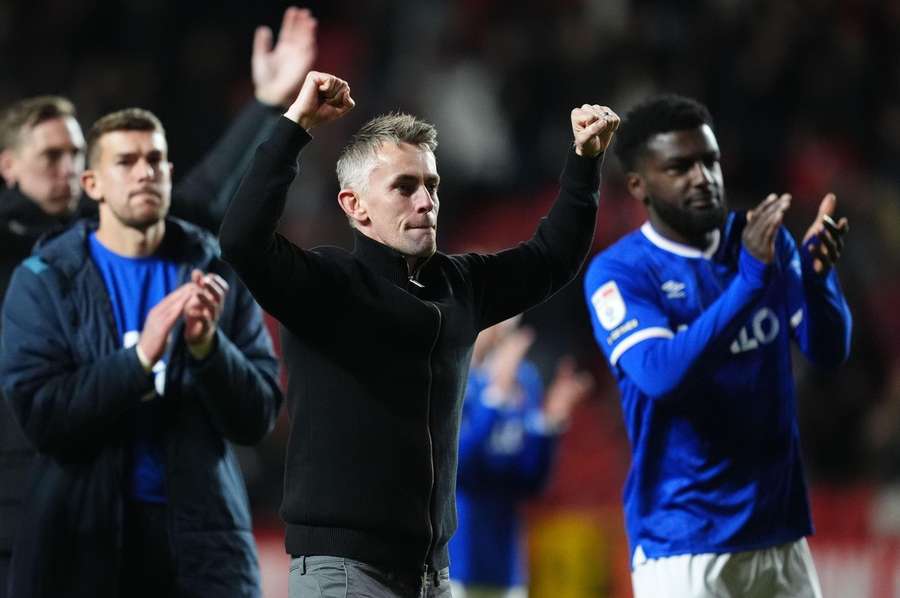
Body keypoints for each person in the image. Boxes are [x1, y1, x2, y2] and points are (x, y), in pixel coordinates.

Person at [218, 70, 618, 597]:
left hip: (432, 575)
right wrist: (297, 126)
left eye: (431, 185)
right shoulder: (327, 285)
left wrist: (584, 163)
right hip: (344, 571)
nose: (425, 201)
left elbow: (552, 257)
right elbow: (242, 237)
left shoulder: (461, 285)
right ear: (354, 206)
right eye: (404, 187)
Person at [0, 7, 316, 593]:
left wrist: (269, 106)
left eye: (76, 155)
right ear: (9, 167)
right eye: (53, 158)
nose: (67, 171)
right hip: (56, 523)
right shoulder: (41, 275)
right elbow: (43, 412)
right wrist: (139, 359)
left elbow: (256, 413)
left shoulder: (199, 264)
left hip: (192, 539)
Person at [582, 94, 852, 598]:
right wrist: (749, 281)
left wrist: (818, 285)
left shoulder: (761, 239)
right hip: (684, 543)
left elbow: (828, 351)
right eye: (680, 167)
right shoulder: (621, 272)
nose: (702, 177)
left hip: (779, 532)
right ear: (639, 184)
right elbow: (661, 374)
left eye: (710, 161)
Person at [449, 317, 591, 598]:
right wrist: (495, 398)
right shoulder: (454, 375)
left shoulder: (524, 378)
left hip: (506, 561)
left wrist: (548, 424)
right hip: (458, 559)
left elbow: (532, 483)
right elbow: (457, 469)